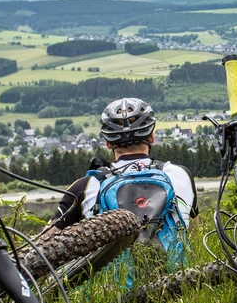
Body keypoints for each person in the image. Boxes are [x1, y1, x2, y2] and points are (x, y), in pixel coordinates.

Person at [42, 97, 199, 282]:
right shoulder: (181, 175)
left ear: (108, 143)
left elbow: (44, 245)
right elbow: (194, 235)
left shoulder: (86, 185)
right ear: (151, 137)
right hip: (176, 286)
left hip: (112, 297)